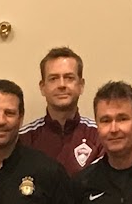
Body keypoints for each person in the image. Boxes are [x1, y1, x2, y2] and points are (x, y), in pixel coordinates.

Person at [20, 47, 104, 176]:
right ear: (42, 87)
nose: (61, 85)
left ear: (81, 85)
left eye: (69, 77)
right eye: (53, 78)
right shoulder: (24, 139)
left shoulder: (100, 136)